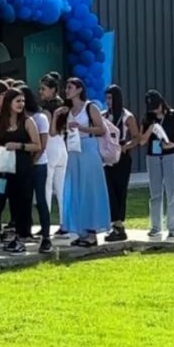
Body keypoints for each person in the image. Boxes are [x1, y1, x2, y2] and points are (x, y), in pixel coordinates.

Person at [59, 78, 111, 247]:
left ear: (79, 89)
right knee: (75, 188)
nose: (67, 90)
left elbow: (101, 129)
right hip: (73, 151)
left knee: (90, 189)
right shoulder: (67, 110)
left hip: (88, 148)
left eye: (70, 87)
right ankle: (80, 230)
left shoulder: (90, 107)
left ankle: (91, 231)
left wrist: (81, 128)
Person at [0, 88, 43, 255]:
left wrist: (19, 146)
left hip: (22, 170)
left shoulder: (28, 122)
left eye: (22, 101)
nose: (21, 104)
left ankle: (21, 237)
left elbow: (37, 145)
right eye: (17, 101)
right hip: (3, 171)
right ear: (9, 103)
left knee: (22, 203)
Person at [139, 90, 174, 239]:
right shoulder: (147, 119)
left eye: (157, 106)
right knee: (155, 192)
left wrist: (170, 146)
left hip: (171, 155)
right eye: (152, 107)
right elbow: (142, 141)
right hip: (153, 155)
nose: (155, 110)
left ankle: (173, 226)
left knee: (172, 190)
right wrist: (151, 128)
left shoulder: (173, 116)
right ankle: (156, 226)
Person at [103, 85, 140, 243]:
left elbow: (137, 137)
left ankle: (119, 224)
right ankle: (114, 223)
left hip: (122, 157)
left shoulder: (126, 116)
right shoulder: (104, 116)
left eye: (111, 98)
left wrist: (125, 147)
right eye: (107, 98)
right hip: (108, 157)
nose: (108, 101)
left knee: (120, 189)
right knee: (109, 189)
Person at [21, 87, 53, 253]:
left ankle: (46, 236)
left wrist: (32, 161)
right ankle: (24, 233)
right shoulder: (19, 118)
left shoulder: (40, 118)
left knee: (40, 200)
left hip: (39, 164)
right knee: (23, 200)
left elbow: (43, 145)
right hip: (23, 165)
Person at [39, 73, 67, 236]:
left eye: (43, 89)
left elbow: (51, 130)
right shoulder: (64, 105)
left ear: (52, 90)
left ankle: (46, 224)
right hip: (62, 146)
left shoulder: (48, 108)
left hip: (51, 145)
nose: (41, 92)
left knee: (47, 187)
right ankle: (65, 223)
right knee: (61, 188)